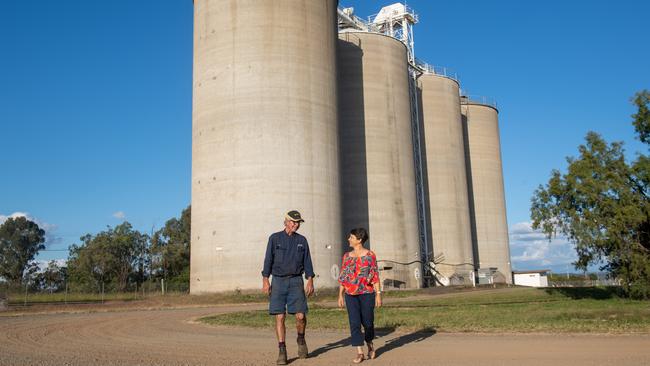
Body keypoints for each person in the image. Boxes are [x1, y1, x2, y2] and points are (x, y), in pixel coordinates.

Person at [262, 210, 315, 365]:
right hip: (278, 281)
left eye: (298, 222)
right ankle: (282, 350)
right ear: (286, 221)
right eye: (293, 221)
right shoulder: (274, 238)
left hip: (296, 281)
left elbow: (307, 262)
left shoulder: (302, 241)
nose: (296, 225)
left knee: (300, 316)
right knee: (280, 316)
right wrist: (266, 279)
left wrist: (310, 280)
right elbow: (268, 260)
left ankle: (301, 338)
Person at [338, 227, 382, 364]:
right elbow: (343, 277)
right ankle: (359, 352)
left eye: (351, 237)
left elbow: (375, 275)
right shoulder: (346, 256)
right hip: (350, 295)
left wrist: (378, 295)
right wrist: (340, 295)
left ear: (359, 240)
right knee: (354, 323)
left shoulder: (370, 255)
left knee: (368, 322)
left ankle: (369, 343)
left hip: (367, 293)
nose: (348, 239)